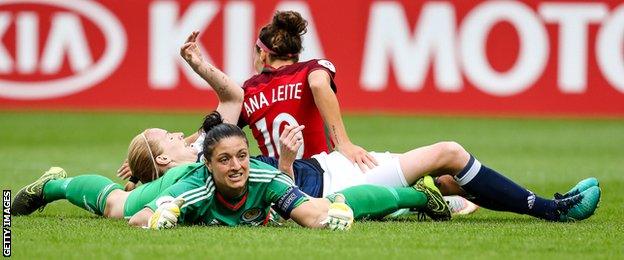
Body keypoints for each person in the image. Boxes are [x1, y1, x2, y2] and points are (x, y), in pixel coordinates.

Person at [11, 124, 452, 229]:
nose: (179, 134)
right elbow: (136, 217)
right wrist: (161, 210)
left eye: (241, 156)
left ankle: (414, 198)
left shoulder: (246, 167)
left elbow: (312, 210)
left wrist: (328, 215)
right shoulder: (190, 174)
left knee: (340, 206)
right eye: (167, 137)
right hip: (176, 188)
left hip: (271, 190)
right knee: (118, 206)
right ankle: (54, 184)